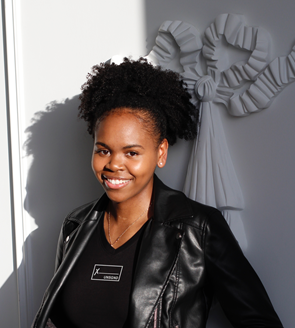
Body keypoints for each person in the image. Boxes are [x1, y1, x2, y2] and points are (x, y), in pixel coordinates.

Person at [32, 58, 283, 328]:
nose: (114, 164)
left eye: (131, 152)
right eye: (103, 150)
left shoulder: (198, 229)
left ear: (160, 152)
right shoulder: (75, 226)